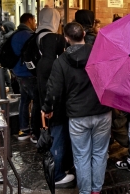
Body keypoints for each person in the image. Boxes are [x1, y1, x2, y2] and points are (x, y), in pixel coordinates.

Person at [42, 22, 111, 194]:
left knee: (81, 156)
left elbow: (54, 90)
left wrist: (47, 107)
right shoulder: (99, 54)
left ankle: (86, 191)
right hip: (102, 111)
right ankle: (96, 190)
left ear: (66, 38)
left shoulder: (61, 62)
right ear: (84, 34)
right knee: (100, 153)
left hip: (77, 115)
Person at [36, 8, 73, 187]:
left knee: (56, 136)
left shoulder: (43, 62)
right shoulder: (56, 63)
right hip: (57, 109)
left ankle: (59, 170)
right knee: (58, 138)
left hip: (49, 108)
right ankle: (57, 175)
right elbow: (56, 88)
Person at [12, 13, 40, 143]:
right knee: (36, 100)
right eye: (34, 20)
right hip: (29, 74)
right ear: (29, 20)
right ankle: (35, 132)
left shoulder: (15, 35)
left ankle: (23, 129)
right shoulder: (29, 36)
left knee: (24, 101)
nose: (35, 23)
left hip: (18, 73)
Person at [0, 21, 15, 86]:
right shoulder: (9, 34)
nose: (2, 28)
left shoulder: (7, 35)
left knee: (4, 70)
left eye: (3, 27)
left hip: (7, 56)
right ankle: (10, 85)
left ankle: (9, 85)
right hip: (9, 56)